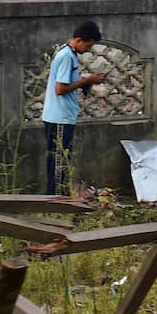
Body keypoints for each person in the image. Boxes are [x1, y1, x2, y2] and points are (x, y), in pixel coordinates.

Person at [41, 21, 106, 195]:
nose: (88, 49)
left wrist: (84, 83)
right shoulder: (66, 56)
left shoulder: (68, 53)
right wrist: (87, 81)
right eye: (88, 45)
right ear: (78, 40)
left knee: (60, 161)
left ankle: (58, 199)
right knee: (59, 163)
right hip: (59, 117)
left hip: (62, 116)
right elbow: (60, 89)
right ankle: (56, 201)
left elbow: (67, 82)